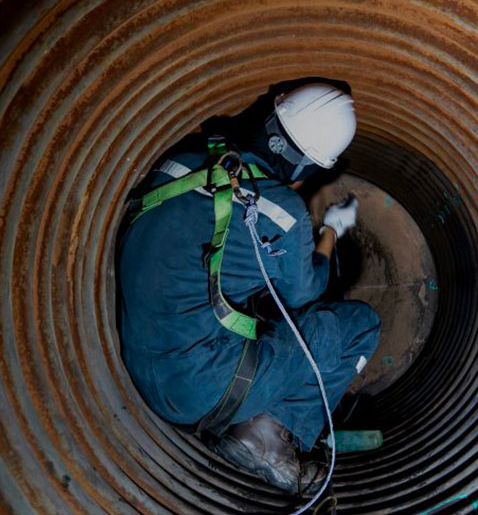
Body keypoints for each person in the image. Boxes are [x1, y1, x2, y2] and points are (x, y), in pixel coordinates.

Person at [117, 77, 381, 496]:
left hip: (138, 365)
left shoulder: (179, 162)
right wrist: (330, 231)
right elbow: (306, 293)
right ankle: (269, 435)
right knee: (357, 325)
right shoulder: (282, 213)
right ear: (308, 165)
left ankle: (256, 416)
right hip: (202, 389)